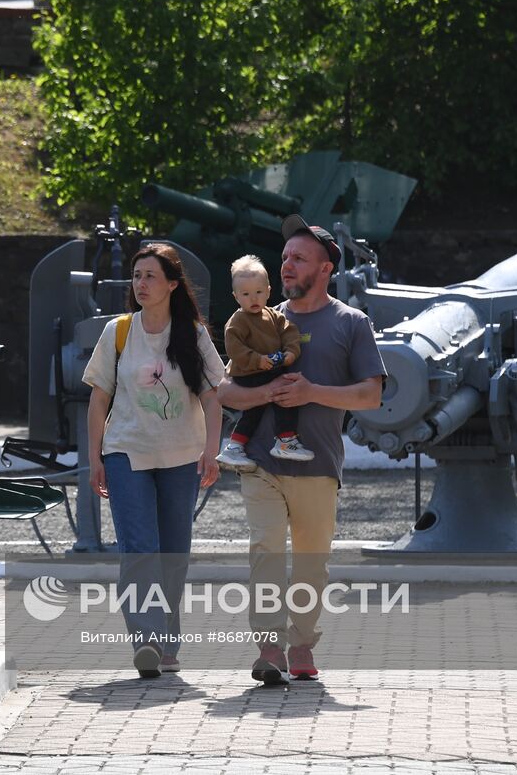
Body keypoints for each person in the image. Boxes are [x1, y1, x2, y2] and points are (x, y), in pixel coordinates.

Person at [219, 216, 385, 685]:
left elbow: (370, 395)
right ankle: (269, 648)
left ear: (326, 267)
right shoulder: (259, 320)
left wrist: (311, 391)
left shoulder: (352, 324)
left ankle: (302, 644)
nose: (287, 266)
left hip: (318, 464)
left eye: (299, 259)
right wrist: (265, 396)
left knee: (312, 562)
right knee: (266, 551)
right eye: (285, 258)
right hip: (262, 464)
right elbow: (226, 392)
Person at [83, 243, 225, 679]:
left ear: (172, 285)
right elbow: (98, 399)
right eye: (136, 275)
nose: (140, 283)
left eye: (150, 276)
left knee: (174, 553)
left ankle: (167, 642)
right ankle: (146, 639)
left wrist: (211, 451)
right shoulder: (118, 331)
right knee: (140, 548)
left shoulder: (193, 334)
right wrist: (95, 459)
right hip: (126, 452)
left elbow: (213, 396)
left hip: (182, 456)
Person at [216, 254, 314, 471]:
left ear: (269, 291)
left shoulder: (273, 315)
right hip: (248, 371)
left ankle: (235, 445)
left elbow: (290, 333)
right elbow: (234, 349)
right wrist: (258, 360)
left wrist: (290, 352)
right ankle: (285, 439)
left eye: (259, 292)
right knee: (285, 393)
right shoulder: (238, 320)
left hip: (269, 367)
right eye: (246, 294)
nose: (253, 299)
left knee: (255, 411)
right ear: (236, 296)